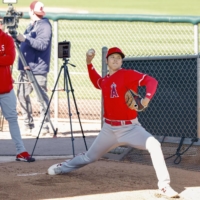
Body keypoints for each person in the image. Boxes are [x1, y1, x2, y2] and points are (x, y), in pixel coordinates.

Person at [47, 47, 179, 198]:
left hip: (130, 128)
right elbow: (96, 81)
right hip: (109, 129)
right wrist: (89, 63)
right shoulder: (105, 80)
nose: (116, 60)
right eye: (112, 57)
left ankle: (164, 185)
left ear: (122, 61)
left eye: (119, 57)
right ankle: (63, 167)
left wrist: (147, 98)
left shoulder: (128, 74)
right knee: (89, 157)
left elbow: (151, 81)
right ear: (107, 61)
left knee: (154, 144)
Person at [0, 20, 35, 162]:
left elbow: (10, 59)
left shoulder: (7, 39)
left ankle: (21, 151)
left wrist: (4, 58)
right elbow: (5, 58)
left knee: (13, 119)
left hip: (6, 89)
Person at [16, 1, 52, 137]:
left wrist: (25, 39)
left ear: (31, 11)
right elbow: (27, 41)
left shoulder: (45, 26)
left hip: (38, 68)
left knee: (41, 97)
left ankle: (45, 125)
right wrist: (18, 38)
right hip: (26, 67)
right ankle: (28, 124)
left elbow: (42, 45)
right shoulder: (31, 25)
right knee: (21, 95)